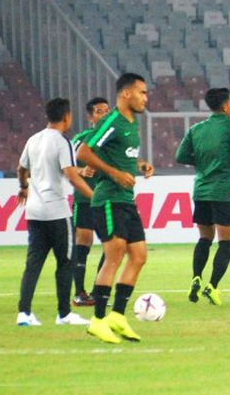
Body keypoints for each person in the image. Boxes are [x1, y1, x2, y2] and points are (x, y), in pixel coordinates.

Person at [77, 73, 154, 343]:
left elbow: (121, 158)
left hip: (125, 199)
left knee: (139, 255)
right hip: (107, 199)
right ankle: (97, 320)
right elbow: (84, 152)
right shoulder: (113, 120)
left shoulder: (132, 126)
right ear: (126, 94)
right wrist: (113, 174)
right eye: (141, 92)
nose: (145, 97)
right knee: (114, 255)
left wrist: (139, 166)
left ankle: (117, 316)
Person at [16, 98, 94, 327]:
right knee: (65, 262)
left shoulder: (33, 139)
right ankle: (64, 314)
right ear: (67, 117)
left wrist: (23, 187)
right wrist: (94, 196)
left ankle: (24, 313)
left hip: (34, 212)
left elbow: (21, 168)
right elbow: (70, 174)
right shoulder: (62, 142)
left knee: (33, 263)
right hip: (57, 213)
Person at [175, 88, 230, 306]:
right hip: (223, 191)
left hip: (201, 191)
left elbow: (180, 156)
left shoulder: (196, 129)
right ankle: (212, 286)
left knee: (204, 239)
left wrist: (201, 159)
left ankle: (196, 277)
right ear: (225, 105)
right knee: (225, 241)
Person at [69, 97, 110, 307]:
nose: (103, 114)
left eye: (106, 110)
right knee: (83, 243)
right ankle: (79, 293)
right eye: (99, 111)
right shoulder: (81, 139)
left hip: (108, 201)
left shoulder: (114, 139)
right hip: (85, 199)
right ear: (90, 117)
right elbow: (65, 167)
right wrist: (81, 170)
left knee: (112, 246)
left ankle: (97, 291)